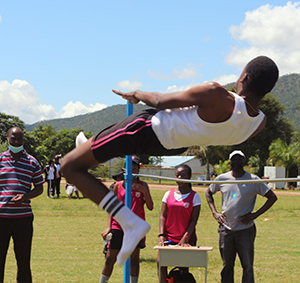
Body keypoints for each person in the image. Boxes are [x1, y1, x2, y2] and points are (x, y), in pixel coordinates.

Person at [61, 56, 279, 265]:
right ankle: (89, 145)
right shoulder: (259, 123)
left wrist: (136, 93)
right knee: (98, 147)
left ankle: (130, 222)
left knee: (69, 167)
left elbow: (160, 101)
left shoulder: (217, 94)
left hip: (149, 128)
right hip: (169, 145)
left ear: (244, 78)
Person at [205, 150, 278, 283]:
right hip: (226, 229)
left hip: (245, 230)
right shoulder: (222, 178)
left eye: (239, 160)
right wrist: (215, 212)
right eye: (234, 160)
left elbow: (272, 197)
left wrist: (254, 215)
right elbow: (208, 193)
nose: (236, 162)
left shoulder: (253, 180)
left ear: (244, 162)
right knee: (227, 266)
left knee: (247, 266)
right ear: (230, 162)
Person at [0, 127, 44, 283]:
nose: (17, 142)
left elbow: (40, 187)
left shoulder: (32, 162)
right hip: (2, 219)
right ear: (7, 139)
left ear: (23, 140)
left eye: (19, 139)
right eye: (13, 139)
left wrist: (25, 196)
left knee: (24, 262)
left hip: (23, 220)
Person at [99, 157, 153, 283]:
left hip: (135, 227)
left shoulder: (143, 186)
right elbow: (111, 208)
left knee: (134, 259)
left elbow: (150, 207)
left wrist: (144, 192)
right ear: (124, 170)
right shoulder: (117, 186)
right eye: (130, 168)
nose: (132, 171)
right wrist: (108, 226)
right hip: (118, 225)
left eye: (135, 168)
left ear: (139, 169)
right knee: (110, 258)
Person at [157, 164, 201, 283]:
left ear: (189, 177)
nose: (179, 177)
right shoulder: (168, 194)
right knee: (161, 263)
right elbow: (162, 216)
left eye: (183, 175)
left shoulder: (195, 197)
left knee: (183, 269)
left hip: (185, 239)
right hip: (168, 238)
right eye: (177, 175)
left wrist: (185, 239)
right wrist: (161, 235)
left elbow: (194, 221)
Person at [102, 167, 125, 256]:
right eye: (119, 178)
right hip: (116, 216)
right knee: (111, 234)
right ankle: (107, 249)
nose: (120, 179)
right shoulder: (115, 186)